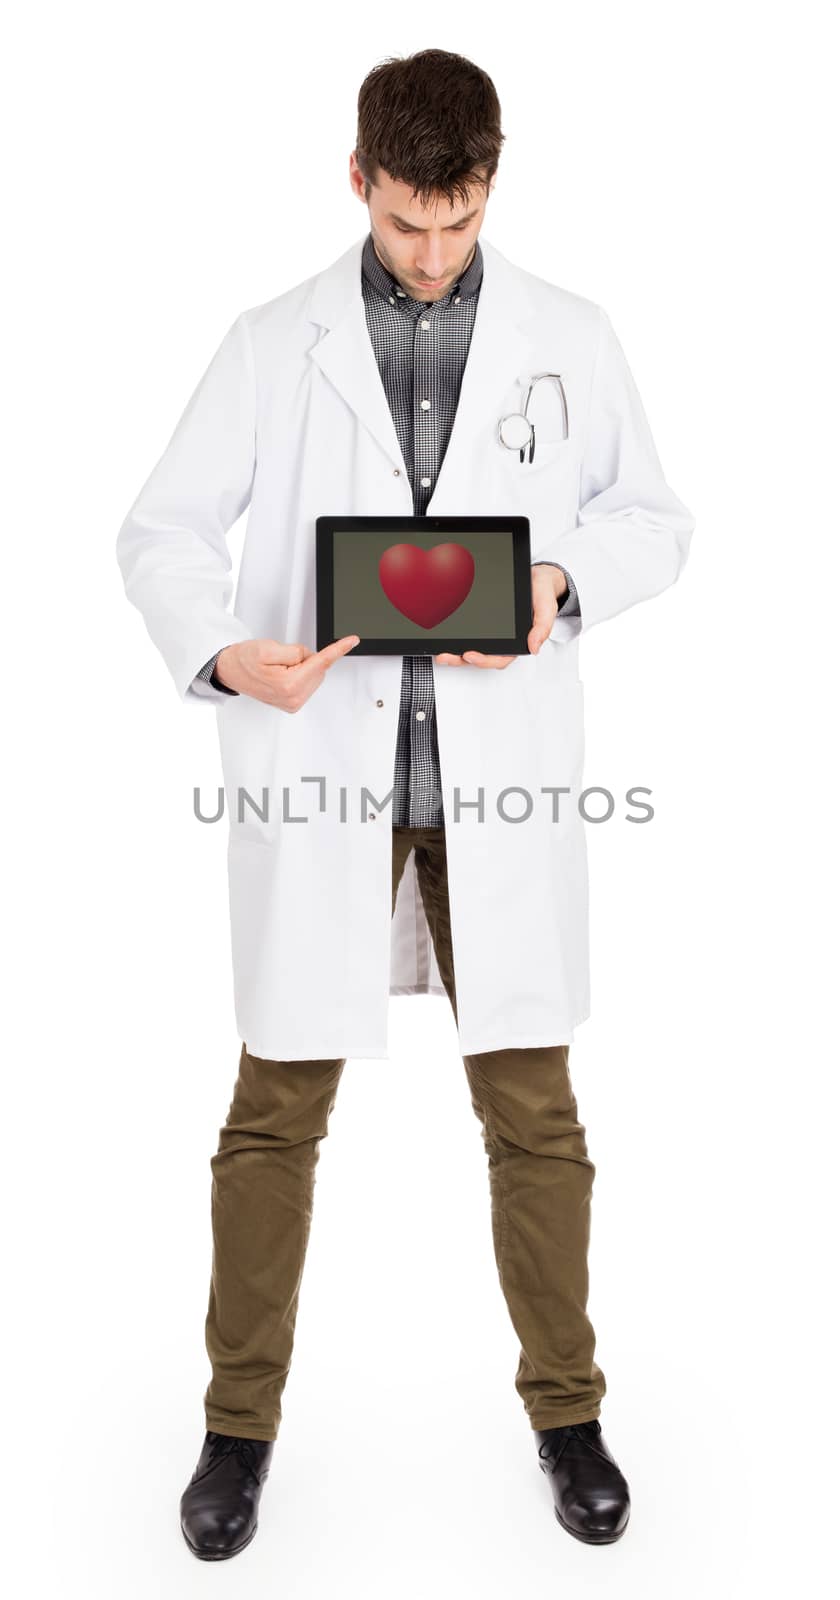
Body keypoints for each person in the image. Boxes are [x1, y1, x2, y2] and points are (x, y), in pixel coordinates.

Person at [115, 47, 694, 1561]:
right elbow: (160, 530)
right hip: (328, 779)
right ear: (356, 178)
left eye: (457, 220)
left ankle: (568, 1413)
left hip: (491, 784)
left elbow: (657, 520)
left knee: (534, 1117)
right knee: (273, 1115)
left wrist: (564, 581)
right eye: (405, 223)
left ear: (489, 180)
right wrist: (231, 653)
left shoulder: (572, 332)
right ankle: (236, 1431)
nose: (431, 255)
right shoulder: (271, 341)